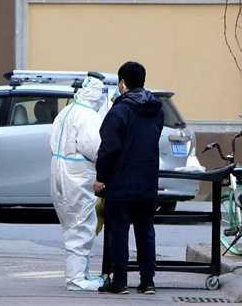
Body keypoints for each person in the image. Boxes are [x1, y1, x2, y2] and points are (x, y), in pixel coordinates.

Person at [95, 61, 163, 295]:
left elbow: (108, 149)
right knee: (145, 232)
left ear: (123, 83)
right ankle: (148, 281)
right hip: (148, 181)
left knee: (119, 231)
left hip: (121, 182)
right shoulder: (156, 108)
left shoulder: (120, 111)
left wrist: (101, 177)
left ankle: (120, 281)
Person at [50, 77, 106, 291]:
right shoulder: (88, 116)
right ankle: (76, 278)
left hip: (59, 170)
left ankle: (81, 272)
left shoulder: (67, 111)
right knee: (81, 224)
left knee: (71, 223)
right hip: (78, 175)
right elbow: (94, 147)